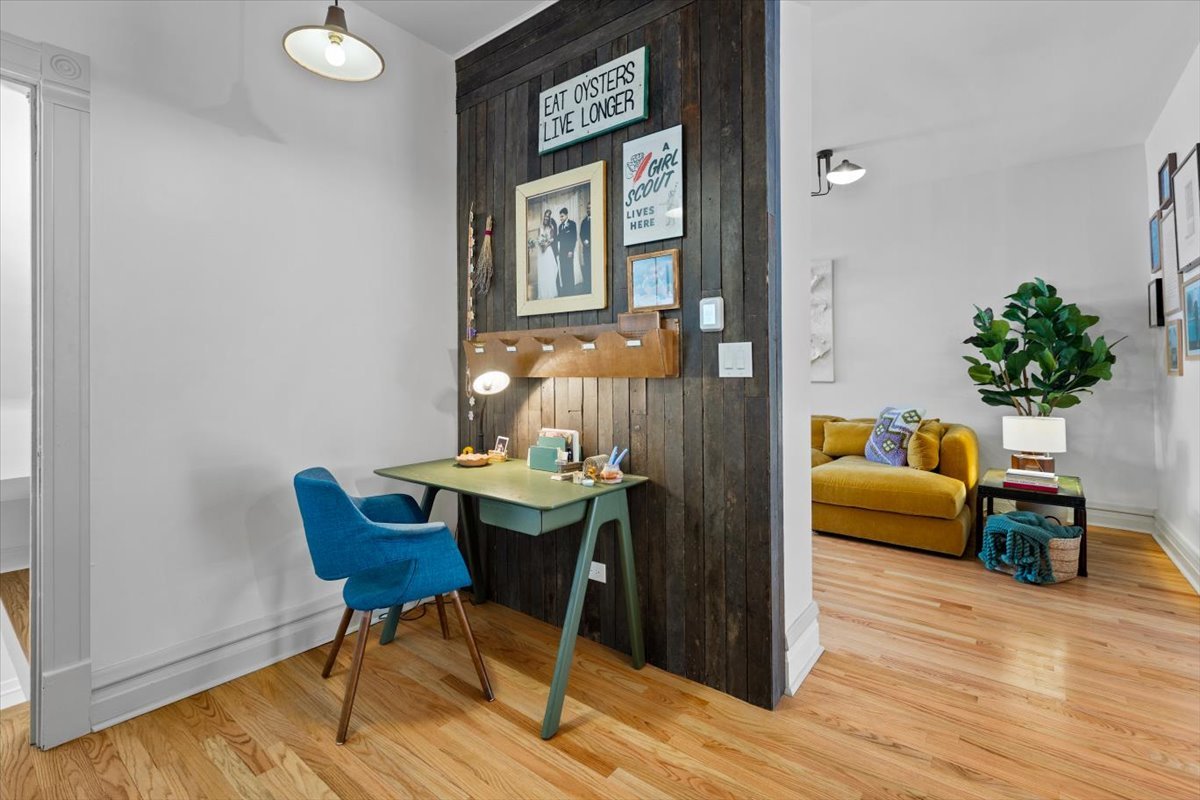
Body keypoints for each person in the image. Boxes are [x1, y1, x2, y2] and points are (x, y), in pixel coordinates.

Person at [536, 213, 559, 300]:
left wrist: (546, 245)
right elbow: (538, 238)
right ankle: (543, 293)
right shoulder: (540, 228)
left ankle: (550, 292)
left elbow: (552, 239)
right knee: (542, 271)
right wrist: (541, 245)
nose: (545, 220)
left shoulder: (551, 228)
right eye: (544, 218)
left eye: (547, 219)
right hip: (541, 251)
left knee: (549, 271)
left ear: (549, 219)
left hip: (548, 250)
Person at [557, 207, 578, 296]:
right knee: (563, 270)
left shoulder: (572, 224)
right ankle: (565, 289)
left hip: (569, 252)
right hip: (562, 253)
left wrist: (571, 250)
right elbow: (559, 238)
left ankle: (571, 289)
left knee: (569, 270)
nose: (561, 218)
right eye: (560, 217)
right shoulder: (560, 226)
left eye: (562, 216)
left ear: (566, 215)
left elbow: (574, 238)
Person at [579, 202, 591, 291]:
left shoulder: (596, 220)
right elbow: (581, 233)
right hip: (586, 248)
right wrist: (584, 241)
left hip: (594, 248)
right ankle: (588, 285)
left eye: (590, 208)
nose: (588, 210)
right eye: (587, 208)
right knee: (587, 266)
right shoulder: (584, 221)